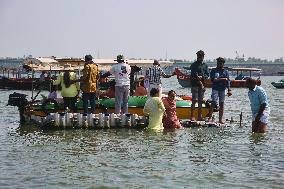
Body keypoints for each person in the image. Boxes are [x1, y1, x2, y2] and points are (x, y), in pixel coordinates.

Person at [207, 57, 232, 123]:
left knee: (222, 103)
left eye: (220, 63)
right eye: (218, 63)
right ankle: (209, 117)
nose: (219, 64)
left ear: (223, 64)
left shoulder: (226, 72)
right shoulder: (213, 70)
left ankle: (220, 119)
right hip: (215, 88)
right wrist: (222, 79)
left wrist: (229, 90)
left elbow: (228, 81)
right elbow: (213, 80)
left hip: (222, 89)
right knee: (213, 102)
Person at [189, 50, 210, 121]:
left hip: (203, 85)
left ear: (203, 57)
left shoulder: (205, 65)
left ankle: (199, 116)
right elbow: (194, 74)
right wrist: (198, 77)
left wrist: (202, 77)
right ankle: (192, 116)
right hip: (195, 84)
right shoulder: (194, 65)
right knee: (194, 100)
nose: (199, 57)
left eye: (201, 56)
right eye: (198, 56)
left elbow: (207, 74)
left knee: (200, 101)